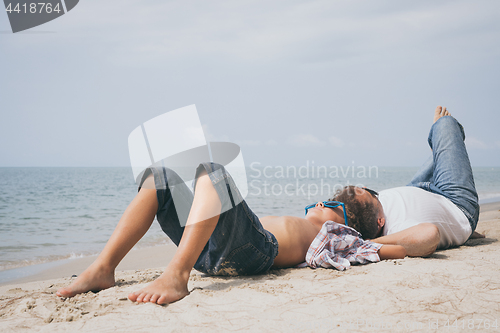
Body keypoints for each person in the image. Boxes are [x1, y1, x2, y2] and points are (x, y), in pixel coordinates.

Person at [57, 161, 405, 305]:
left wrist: (376, 242)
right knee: (159, 175)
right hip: (211, 245)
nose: (359, 187)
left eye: (367, 191)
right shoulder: (320, 217)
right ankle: (103, 268)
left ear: (374, 217)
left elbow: (409, 245)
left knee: (213, 172)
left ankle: (176, 275)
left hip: (253, 251)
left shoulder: (343, 236)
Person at [333, 106, 485, 257]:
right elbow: (430, 234)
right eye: (371, 194)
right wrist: (371, 243)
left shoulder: (364, 214)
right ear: (380, 221)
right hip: (457, 204)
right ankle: (438, 150)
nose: (366, 188)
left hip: (417, 190)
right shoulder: (397, 229)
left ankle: (437, 155)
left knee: (442, 152)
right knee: (445, 124)